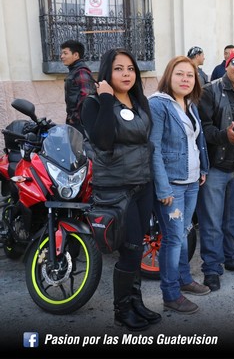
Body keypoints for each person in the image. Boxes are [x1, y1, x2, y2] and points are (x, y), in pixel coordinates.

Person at [81, 48, 160, 331]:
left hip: (142, 184)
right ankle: (122, 311)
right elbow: (102, 141)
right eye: (118, 69)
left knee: (137, 246)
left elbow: (145, 141)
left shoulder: (138, 101)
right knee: (130, 249)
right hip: (116, 188)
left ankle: (136, 303)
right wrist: (106, 99)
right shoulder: (93, 103)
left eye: (130, 68)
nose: (126, 74)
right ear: (107, 72)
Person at [148, 56, 211, 314]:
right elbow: (154, 149)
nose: (185, 79)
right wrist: (162, 188)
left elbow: (196, 141)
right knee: (173, 239)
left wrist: (202, 168)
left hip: (191, 181)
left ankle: (184, 279)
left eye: (190, 75)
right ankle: (171, 294)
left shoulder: (189, 103)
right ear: (169, 76)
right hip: (172, 185)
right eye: (180, 74)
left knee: (184, 232)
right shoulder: (158, 104)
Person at [196, 47, 234, 291]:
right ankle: (212, 268)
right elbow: (203, 128)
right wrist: (225, 136)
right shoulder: (209, 91)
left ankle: (233, 258)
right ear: (227, 64)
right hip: (216, 167)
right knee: (211, 222)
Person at [60, 40, 96, 134]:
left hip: (80, 123)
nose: (62, 56)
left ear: (76, 55)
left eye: (65, 53)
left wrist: (74, 118)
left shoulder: (81, 71)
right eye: (62, 53)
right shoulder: (74, 71)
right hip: (75, 122)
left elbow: (86, 96)